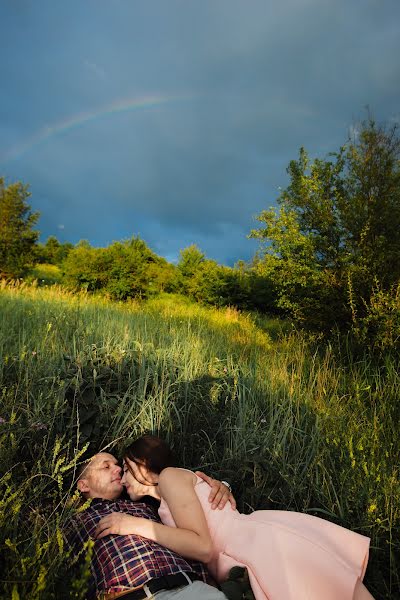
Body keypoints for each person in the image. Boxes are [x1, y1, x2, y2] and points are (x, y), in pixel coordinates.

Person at [95, 435, 375, 600]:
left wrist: (132, 525)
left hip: (257, 547)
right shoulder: (161, 499)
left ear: (141, 464)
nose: (124, 478)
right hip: (249, 552)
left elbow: (203, 546)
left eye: (127, 470)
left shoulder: (169, 477)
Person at [69, 450, 234, 600]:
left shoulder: (150, 506)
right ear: (83, 485)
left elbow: (190, 529)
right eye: (106, 467)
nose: (118, 469)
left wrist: (221, 486)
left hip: (193, 589)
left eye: (118, 466)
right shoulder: (75, 522)